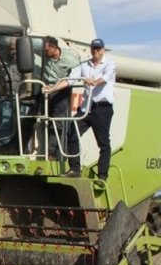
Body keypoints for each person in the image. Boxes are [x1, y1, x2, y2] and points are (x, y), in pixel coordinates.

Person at [63, 38, 116, 180]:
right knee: (72, 132)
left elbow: (105, 78)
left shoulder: (110, 64)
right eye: (94, 48)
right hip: (86, 108)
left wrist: (93, 81)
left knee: (103, 143)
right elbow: (71, 79)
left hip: (102, 109)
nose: (96, 51)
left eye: (98, 48)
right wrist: (52, 88)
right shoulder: (84, 65)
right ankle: (75, 169)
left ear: (103, 50)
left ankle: (102, 175)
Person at [41, 36, 80, 159]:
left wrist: (54, 88)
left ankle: (51, 151)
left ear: (54, 47)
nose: (44, 53)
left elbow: (74, 77)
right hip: (45, 89)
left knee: (56, 121)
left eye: (46, 50)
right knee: (34, 117)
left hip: (61, 91)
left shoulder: (70, 58)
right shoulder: (44, 54)